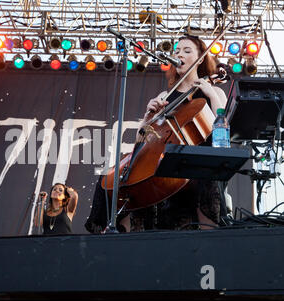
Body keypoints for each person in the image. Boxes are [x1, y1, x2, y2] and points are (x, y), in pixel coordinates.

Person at [85, 35, 228, 233]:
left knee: (206, 182)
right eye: (177, 51)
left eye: (187, 51)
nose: (179, 55)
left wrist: (211, 94)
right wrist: (147, 118)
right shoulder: (164, 97)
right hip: (167, 158)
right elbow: (142, 141)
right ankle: (114, 235)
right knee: (113, 179)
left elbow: (222, 132)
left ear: (200, 58)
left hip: (198, 159)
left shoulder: (215, 92)